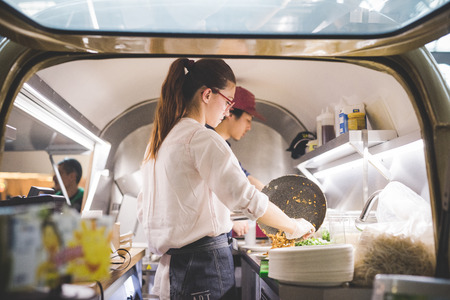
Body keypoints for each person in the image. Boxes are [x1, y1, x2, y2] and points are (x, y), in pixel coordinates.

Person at [137, 58, 315, 300]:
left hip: (173, 267)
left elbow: (145, 208)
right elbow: (247, 198)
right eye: (228, 101)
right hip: (203, 267)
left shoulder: (158, 141)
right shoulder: (202, 139)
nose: (228, 109)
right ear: (207, 94)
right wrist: (294, 227)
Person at [208, 86, 266, 237]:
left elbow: (245, 177)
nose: (249, 127)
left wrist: (274, 194)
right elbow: (206, 193)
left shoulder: (224, 146)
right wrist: (230, 217)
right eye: (247, 120)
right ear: (230, 113)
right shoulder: (209, 143)